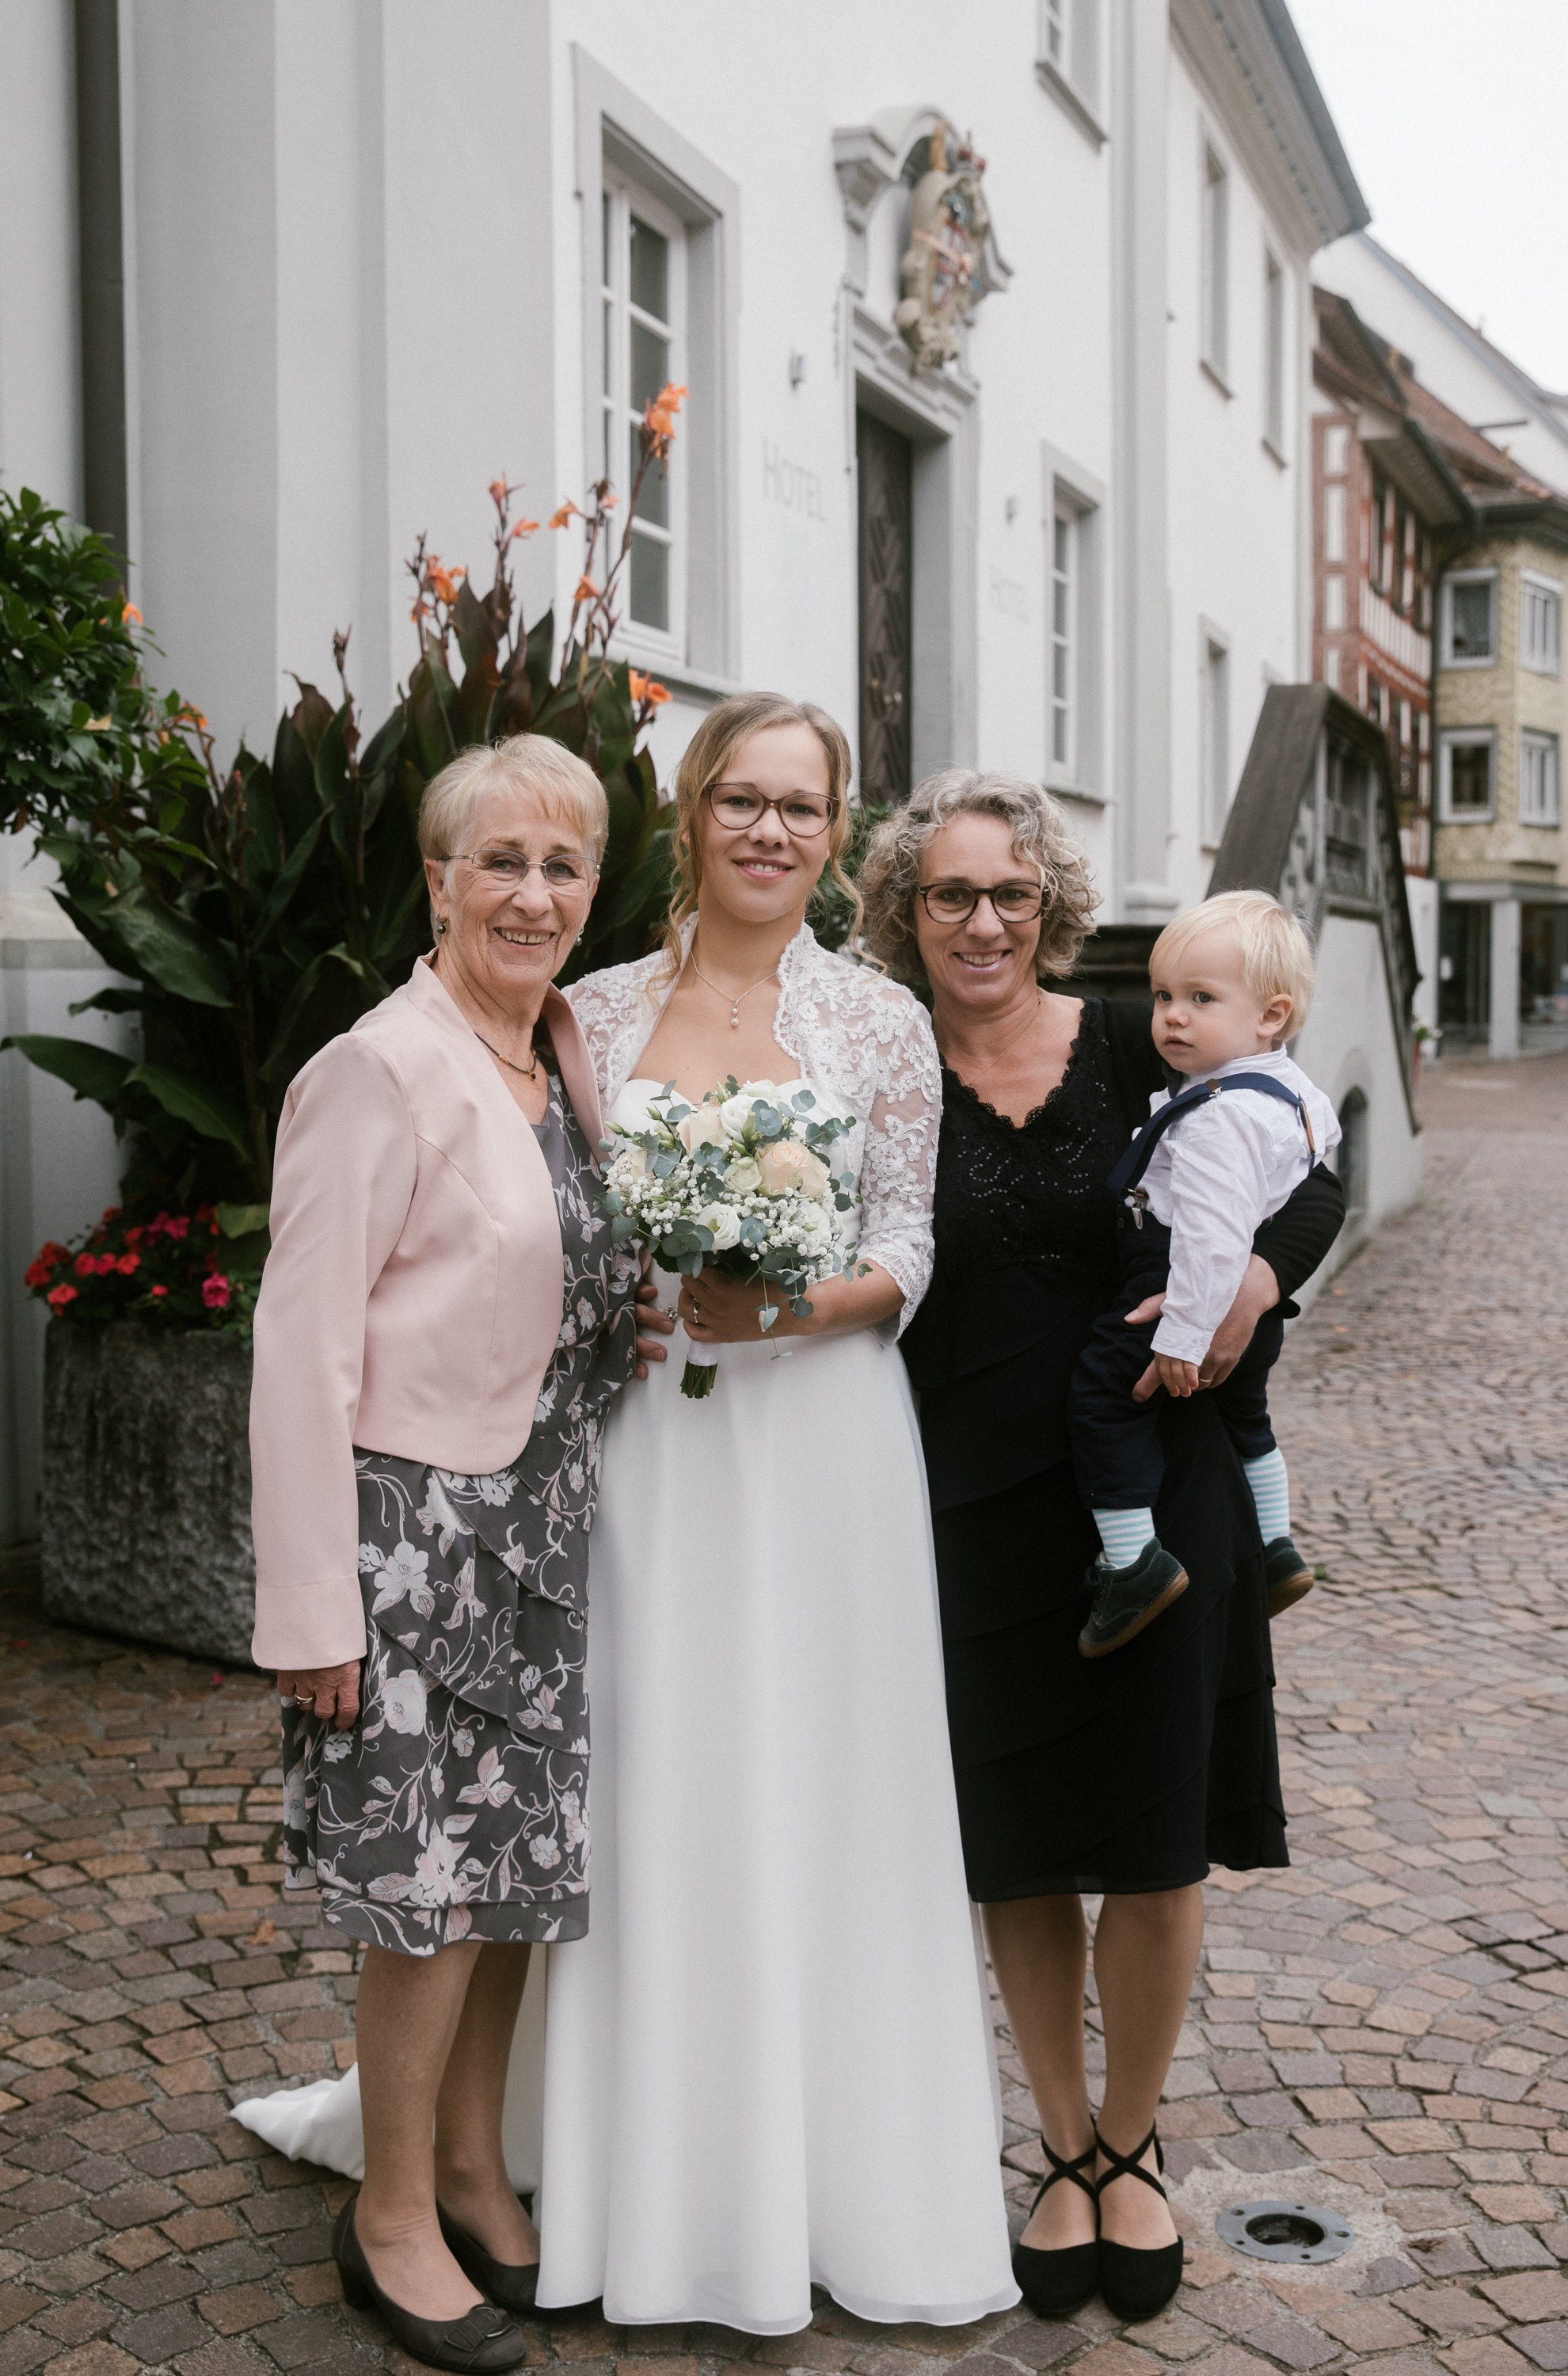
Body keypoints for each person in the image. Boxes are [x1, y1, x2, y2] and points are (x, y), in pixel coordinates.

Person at [538, 691, 1018, 2332]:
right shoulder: (590, 1014)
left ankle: (845, 2181)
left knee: (828, 1781)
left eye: (799, 807)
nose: (767, 830)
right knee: (658, 1768)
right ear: (692, 813)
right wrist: (636, 1308)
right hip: (653, 1460)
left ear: (833, 831)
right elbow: (550, 1233)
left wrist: (798, 1309)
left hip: (821, 1446)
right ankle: (650, 2190)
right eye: (739, 798)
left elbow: (912, 1240)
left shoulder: (880, 1021)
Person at [860, 772, 1344, 2327]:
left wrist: (1263, 1279)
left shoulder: (1148, 1035)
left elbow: (1304, 1158)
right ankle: (1057, 2150)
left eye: (1009, 893)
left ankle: (1132, 2141)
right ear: (906, 915)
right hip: (967, 1502)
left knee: (1150, 1834)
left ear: (1051, 904)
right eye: (949, 896)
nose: (982, 922)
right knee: (1012, 1840)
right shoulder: (874, 1065)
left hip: (1158, 1485)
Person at [242, 735, 649, 2374]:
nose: (533, 894)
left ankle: (474, 2165)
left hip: (544, 1531)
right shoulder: (380, 1066)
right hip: (412, 1546)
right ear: (436, 879)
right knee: (422, 1898)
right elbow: (295, 1352)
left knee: (510, 1886)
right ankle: (391, 2211)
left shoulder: (557, 1051)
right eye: (500, 863)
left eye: (561, 866)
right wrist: (309, 1605)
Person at [1068, 890, 1341, 1656]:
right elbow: (1321, 1146)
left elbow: (1215, 1240)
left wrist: (1185, 1335)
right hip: (1250, 1316)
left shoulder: (1221, 1116)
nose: (1172, 1018)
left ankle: (1132, 1565)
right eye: (1162, 997)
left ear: (1271, 1017)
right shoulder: (1286, 1090)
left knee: (1104, 1398)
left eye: (1200, 999)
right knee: (1245, 1417)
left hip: (1185, 1284)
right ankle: (1277, 1546)